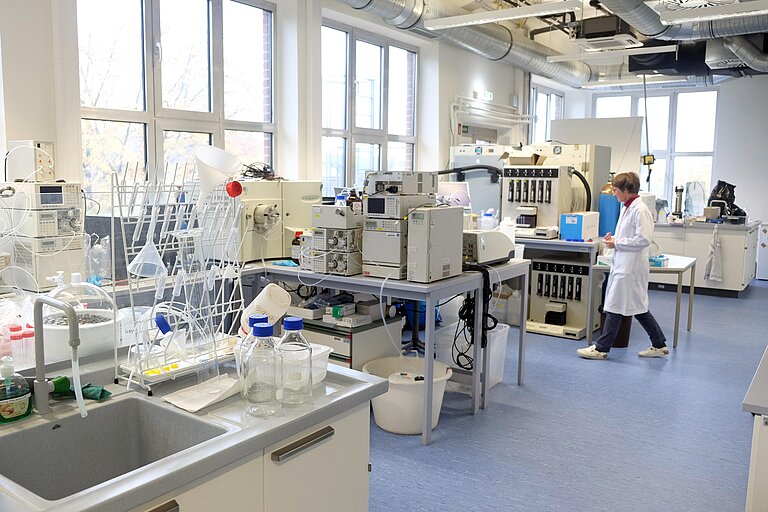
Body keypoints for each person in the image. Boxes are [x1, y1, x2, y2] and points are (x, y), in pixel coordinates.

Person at [577, 172, 669, 360]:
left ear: (626, 190)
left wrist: (617, 243)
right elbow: (630, 236)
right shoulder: (628, 207)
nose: (613, 194)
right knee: (638, 308)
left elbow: (644, 239)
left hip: (630, 268)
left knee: (614, 306)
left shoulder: (639, 210)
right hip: (625, 265)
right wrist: (614, 239)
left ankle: (601, 349)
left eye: (616, 190)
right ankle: (659, 344)